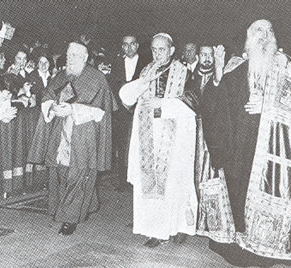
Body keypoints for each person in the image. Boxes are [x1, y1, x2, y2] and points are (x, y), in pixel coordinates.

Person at [201, 19, 291, 266]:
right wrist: (216, 73)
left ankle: (266, 248)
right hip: (239, 145)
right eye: (259, 30)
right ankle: (240, 247)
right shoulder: (237, 66)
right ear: (248, 35)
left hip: (271, 148)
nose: (264, 35)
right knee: (238, 192)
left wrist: (266, 107)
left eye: (269, 30)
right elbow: (217, 102)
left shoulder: (284, 64)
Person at [28, 42, 116, 235]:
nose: (70, 59)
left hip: (84, 134)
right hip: (60, 133)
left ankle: (69, 218)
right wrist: (52, 107)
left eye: (75, 56)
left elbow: (101, 110)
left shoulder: (97, 78)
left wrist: (73, 110)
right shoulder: (61, 76)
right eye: (68, 56)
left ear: (85, 58)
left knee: (78, 173)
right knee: (59, 172)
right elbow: (47, 97)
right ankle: (86, 204)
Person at [119, 33, 198, 248]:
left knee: (174, 184)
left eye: (161, 49)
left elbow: (193, 102)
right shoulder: (147, 70)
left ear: (172, 50)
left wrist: (162, 105)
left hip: (174, 138)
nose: (157, 53)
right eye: (154, 49)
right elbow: (127, 98)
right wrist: (143, 83)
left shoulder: (184, 73)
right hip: (148, 136)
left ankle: (178, 227)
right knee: (149, 186)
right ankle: (155, 230)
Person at [109, 35, 148, 192]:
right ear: (122, 47)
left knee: (139, 145)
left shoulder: (146, 64)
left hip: (139, 110)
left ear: (137, 45)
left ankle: (138, 180)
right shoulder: (116, 63)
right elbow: (112, 86)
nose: (129, 48)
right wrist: (121, 105)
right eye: (125, 45)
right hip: (121, 112)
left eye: (132, 44)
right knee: (122, 145)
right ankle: (122, 180)